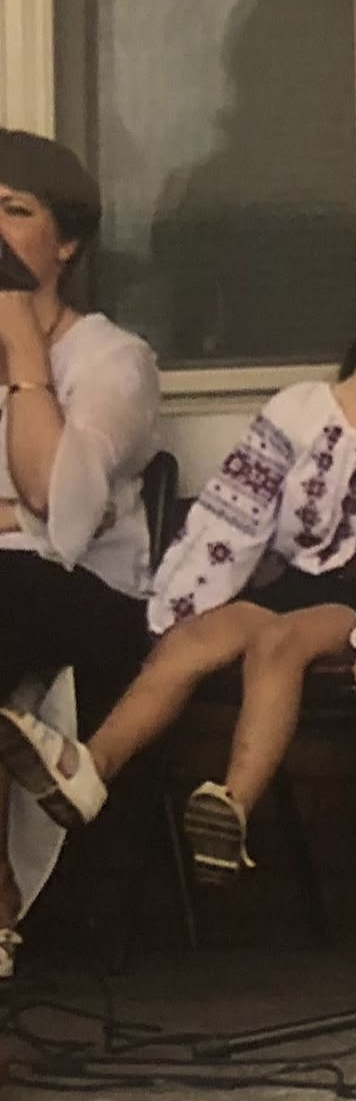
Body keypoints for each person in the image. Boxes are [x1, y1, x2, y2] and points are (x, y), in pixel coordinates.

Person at [0, 280, 356, 890]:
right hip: (286, 584)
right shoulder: (297, 407)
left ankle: (232, 804)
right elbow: (236, 512)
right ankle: (89, 769)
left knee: (279, 642)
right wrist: (181, 604)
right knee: (195, 640)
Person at [0, 128, 162, 979]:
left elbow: (56, 516)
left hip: (89, 600)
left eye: (12, 210)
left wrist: (25, 351)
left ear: (64, 244)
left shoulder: (112, 361)